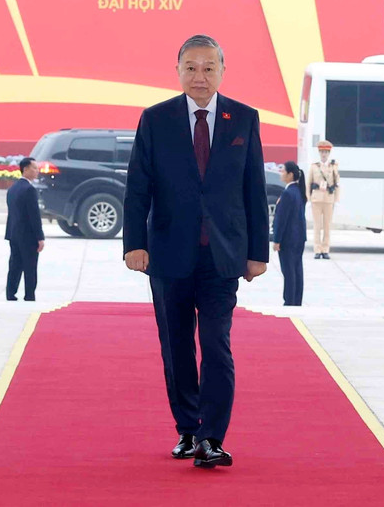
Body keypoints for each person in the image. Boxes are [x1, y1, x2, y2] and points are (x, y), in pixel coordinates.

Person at [123, 34, 269, 469]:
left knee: (216, 343)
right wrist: (135, 244)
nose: (199, 76)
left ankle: (212, 437)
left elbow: (254, 190)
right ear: (178, 71)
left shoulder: (243, 118)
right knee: (177, 346)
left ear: (223, 70)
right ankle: (188, 428)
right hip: (168, 254)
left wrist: (257, 251)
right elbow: (137, 188)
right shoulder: (156, 119)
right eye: (191, 67)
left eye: (208, 67)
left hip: (223, 256)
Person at [4, 157, 45, 301]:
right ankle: (29, 295)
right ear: (25, 169)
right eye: (34, 168)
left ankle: (11, 293)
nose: (37, 171)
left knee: (15, 265)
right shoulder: (29, 190)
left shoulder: (12, 188)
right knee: (30, 267)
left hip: (13, 234)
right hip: (27, 236)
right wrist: (40, 237)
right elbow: (34, 217)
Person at [272, 161, 307, 306]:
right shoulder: (298, 191)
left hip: (288, 239)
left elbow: (281, 219)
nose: (281, 173)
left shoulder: (288, 193)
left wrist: (277, 240)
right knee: (296, 269)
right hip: (299, 237)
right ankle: (296, 299)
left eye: (283, 171)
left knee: (289, 271)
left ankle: (289, 300)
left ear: (290, 174)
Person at [307, 140, 339, 259]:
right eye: (322, 152)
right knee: (317, 226)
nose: (324, 154)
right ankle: (317, 249)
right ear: (319, 153)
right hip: (316, 198)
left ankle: (325, 249)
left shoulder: (333, 166)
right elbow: (309, 183)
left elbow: (337, 183)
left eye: (326, 152)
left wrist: (336, 199)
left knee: (327, 226)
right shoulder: (314, 166)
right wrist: (309, 198)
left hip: (328, 199)